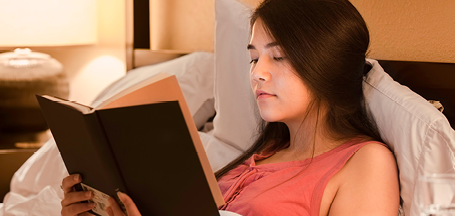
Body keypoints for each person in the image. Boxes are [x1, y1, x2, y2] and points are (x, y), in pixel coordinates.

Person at [60, 0, 399, 215]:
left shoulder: (365, 162)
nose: (257, 73)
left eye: (277, 57)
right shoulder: (261, 154)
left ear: (327, 64)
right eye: (253, 58)